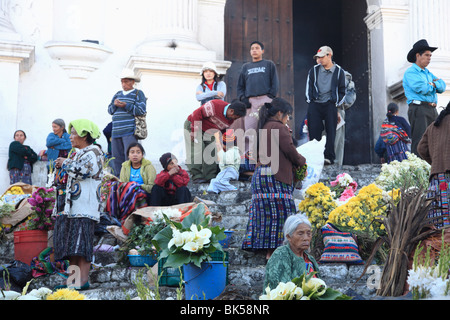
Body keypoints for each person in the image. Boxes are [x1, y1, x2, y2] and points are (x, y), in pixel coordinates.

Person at [242, 98, 306, 259]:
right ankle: (275, 253)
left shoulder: (262, 127)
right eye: (288, 115)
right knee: (280, 214)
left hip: (261, 177)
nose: (288, 119)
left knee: (264, 213)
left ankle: (265, 250)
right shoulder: (278, 127)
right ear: (279, 113)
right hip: (275, 177)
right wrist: (302, 161)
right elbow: (290, 150)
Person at [52, 119, 104, 290]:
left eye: (74, 133)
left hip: (85, 207)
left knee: (82, 245)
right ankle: (72, 281)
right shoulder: (76, 153)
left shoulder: (94, 152)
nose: (71, 137)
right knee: (72, 247)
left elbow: (82, 171)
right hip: (72, 208)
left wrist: (64, 163)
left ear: (85, 135)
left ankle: (82, 281)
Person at [183, 99, 247, 184]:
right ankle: (197, 175)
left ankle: (210, 176)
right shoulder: (215, 105)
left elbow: (222, 129)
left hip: (209, 131)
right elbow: (196, 114)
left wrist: (226, 143)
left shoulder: (230, 119)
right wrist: (194, 131)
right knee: (198, 149)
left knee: (212, 150)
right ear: (231, 111)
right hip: (194, 125)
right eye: (236, 117)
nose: (235, 119)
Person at [403, 39, 447, 157]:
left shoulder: (427, 73)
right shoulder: (410, 72)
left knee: (436, 140)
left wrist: (432, 84)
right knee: (420, 141)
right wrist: (434, 84)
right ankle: (418, 171)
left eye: (430, 55)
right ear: (418, 55)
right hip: (419, 109)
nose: (429, 58)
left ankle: (432, 169)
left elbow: (442, 86)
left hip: (432, 109)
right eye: (427, 55)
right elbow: (421, 88)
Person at [237, 41, 279, 157]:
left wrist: (270, 97)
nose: (254, 50)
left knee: (266, 127)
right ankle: (249, 155)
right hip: (251, 102)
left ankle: (268, 155)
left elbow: (274, 82)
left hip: (265, 99)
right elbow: (240, 86)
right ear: (250, 52)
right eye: (252, 48)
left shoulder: (269, 64)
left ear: (262, 51)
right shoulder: (246, 67)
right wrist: (243, 98)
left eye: (257, 48)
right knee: (250, 128)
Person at [306, 46, 346, 165]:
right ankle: (315, 157)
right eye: (318, 57)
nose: (320, 60)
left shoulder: (339, 71)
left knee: (331, 131)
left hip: (330, 104)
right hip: (315, 104)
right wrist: (311, 102)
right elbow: (309, 88)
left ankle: (329, 157)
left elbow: (342, 90)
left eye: (322, 57)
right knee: (314, 131)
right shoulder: (313, 70)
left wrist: (336, 103)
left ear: (329, 55)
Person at [263, 214, 320, 290]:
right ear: (288, 237)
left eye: (309, 233)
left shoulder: (310, 259)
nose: (306, 238)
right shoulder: (281, 255)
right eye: (300, 233)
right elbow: (282, 289)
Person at [108, 68, 147, 177]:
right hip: (116, 131)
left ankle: (131, 180)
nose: (123, 84)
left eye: (126, 81)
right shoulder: (117, 94)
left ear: (132, 82)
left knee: (130, 157)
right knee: (116, 158)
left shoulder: (138, 94)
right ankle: (118, 181)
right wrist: (114, 105)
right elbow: (110, 111)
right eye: (122, 81)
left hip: (129, 131)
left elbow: (141, 110)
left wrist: (126, 105)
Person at [418, 102, 450, 229]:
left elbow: (421, 148)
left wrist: (436, 162)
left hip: (436, 181)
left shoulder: (433, 126)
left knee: (438, 221)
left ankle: (439, 247)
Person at [207, 129, 241, 194]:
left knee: (218, 181)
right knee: (213, 182)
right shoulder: (230, 151)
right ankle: (211, 194)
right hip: (225, 172)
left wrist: (217, 139)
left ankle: (234, 189)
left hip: (229, 170)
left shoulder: (233, 151)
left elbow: (223, 159)